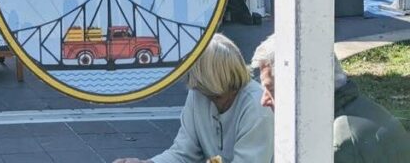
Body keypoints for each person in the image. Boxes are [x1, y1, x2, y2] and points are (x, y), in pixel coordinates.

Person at [113, 34, 273, 163]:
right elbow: (184, 153)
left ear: (207, 78)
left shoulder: (257, 107)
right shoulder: (199, 94)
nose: (189, 80)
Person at [251, 34, 410, 161]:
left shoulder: (336, 146)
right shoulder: (362, 110)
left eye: (271, 89)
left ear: (304, 87)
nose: (263, 100)